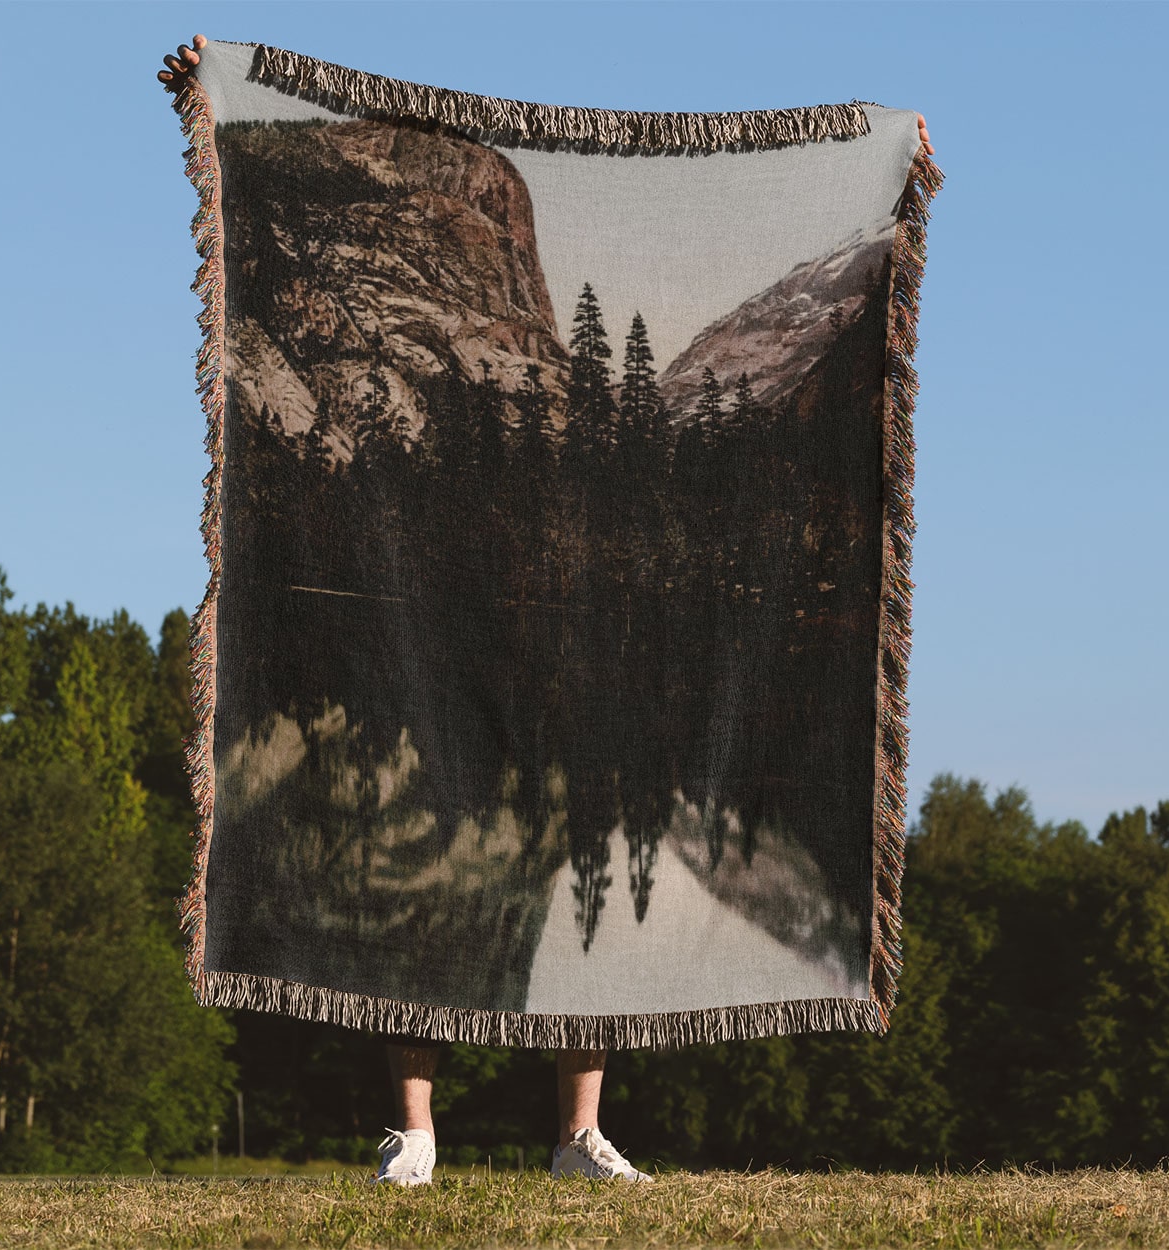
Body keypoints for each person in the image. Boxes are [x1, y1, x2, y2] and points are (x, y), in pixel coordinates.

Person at [156, 34, 934, 1187]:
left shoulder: (587, 453)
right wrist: (215, 72)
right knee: (406, 881)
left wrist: (886, 156)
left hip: (570, 665)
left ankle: (577, 1134)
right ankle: (414, 1132)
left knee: (582, 913)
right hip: (453, 645)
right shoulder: (492, 442)